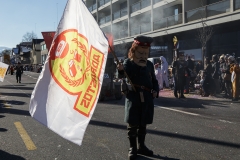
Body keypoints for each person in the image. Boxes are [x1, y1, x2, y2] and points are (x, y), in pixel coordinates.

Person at [117, 35, 159, 160]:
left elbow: (154, 80)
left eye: (145, 53)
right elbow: (121, 76)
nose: (143, 56)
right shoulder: (128, 63)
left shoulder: (150, 65)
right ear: (133, 51)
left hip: (147, 97)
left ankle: (141, 146)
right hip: (133, 96)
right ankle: (132, 148)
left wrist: (156, 90)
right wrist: (120, 70)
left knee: (143, 123)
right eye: (140, 53)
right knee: (133, 124)